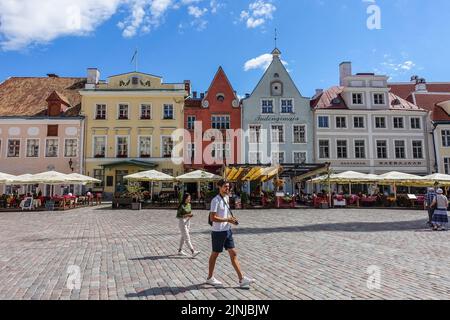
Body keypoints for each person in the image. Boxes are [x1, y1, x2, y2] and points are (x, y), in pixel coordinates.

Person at [206, 180, 255, 289]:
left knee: (233, 253)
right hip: (218, 232)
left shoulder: (226, 198)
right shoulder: (215, 201)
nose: (227, 188)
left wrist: (231, 219)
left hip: (227, 230)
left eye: (228, 187)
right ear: (219, 187)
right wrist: (227, 219)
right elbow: (212, 218)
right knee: (215, 254)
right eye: (225, 187)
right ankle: (210, 277)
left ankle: (241, 279)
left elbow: (225, 213)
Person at [176, 193, 200, 257]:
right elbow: (178, 216)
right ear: (185, 198)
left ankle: (180, 251)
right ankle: (193, 251)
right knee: (187, 237)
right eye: (188, 198)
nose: (190, 199)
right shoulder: (181, 206)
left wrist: (190, 215)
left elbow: (189, 212)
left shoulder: (189, 205)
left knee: (183, 237)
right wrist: (187, 215)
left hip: (188, 221)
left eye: (190, 197)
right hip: (182, 222)